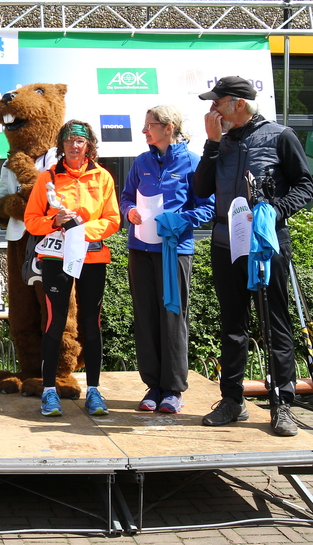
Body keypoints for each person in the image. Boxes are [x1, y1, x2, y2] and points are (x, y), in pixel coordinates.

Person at [193, 75, 313, 437]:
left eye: (217, 102)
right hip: (226, 243)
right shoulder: (220, 140)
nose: (212, 109)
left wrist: (275, 210)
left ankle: (282, 405)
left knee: (275, 322)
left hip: (266, 243)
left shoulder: (280, 136)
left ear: (239, 105)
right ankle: (232, 401)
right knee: (233, 324)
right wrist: (212, 144)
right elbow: (200, 189)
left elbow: (305, 186)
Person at [120, 106, 214, 414]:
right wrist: (130, 212)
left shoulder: (193, 162)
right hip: (140, 249)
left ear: (168, 127)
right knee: (145, 316)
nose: (144, 131)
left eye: (150, 125)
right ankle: (153, 386)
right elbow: (126, 197)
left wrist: (180, 220)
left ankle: (173, 389)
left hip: (174, 250)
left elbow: (208, 206)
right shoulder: (141, 162)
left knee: (172, 318)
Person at [23, 120, 120, 417]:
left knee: (91, 324)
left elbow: (112, 220)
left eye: (79, 141)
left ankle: (94, 391)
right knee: (55, 322)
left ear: (88, 145)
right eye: (68, 141)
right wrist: (54, 222)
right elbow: (31, 221)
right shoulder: (48, 177)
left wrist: (81, 230)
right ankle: (49, 391)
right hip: (57, 258)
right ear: (61, 145)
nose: (74, 146)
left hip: (92, 257)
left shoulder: (102, 176)